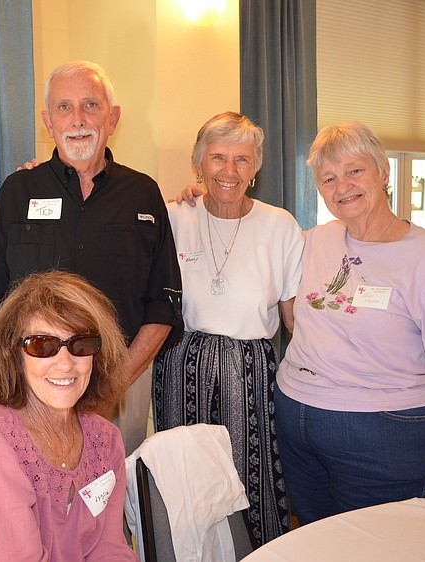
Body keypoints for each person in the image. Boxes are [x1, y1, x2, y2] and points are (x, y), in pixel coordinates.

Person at [275, 121, 425, 524]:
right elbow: (255, 239)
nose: (343, 187)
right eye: (329, 178)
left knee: (374, 543)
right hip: (297, 422)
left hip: (385, 433)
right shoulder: (315, 240)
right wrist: (202, 197)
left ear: (383, 171)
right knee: (317, 539)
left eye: (355, 171)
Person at [0, 60, 183, 456]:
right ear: (47, 121)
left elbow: (163, 305)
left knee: (110, 500)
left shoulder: (143, 194)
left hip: (119, 388)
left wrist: (112, 385)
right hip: (32, 389)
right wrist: (31, 375)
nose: (78, 119)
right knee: (35, 502)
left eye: (91, 105)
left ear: (113, 117)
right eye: (64, 108)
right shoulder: (18, 190)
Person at [153, 112, 302, 545]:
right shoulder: (173, 217)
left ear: (255, 168)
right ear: (198, 164)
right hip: (182, 369)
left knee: (249, 477)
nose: (229, 171)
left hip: (251, 372)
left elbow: (294, 320)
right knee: (186, 481)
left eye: (242, 159)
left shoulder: (280, 226)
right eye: (217, 158)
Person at [0, 270, 136, 561]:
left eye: (80, 344)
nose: (65, 364)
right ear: (14, 355)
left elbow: (109, 549)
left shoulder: (105, 439)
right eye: (42, 345)